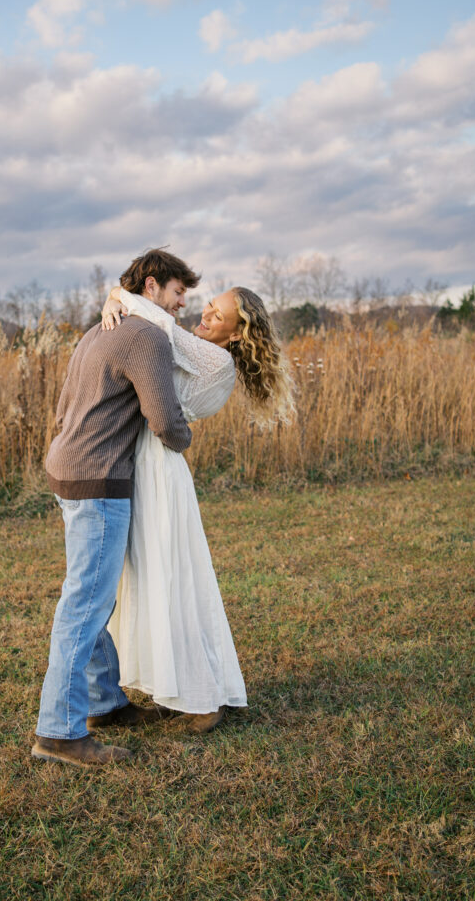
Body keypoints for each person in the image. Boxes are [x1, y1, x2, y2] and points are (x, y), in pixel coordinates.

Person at [102, 279, 294, 732]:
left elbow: (163, 328)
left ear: (236, 334)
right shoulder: (207, 356)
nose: (205, 316)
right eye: (208, 306)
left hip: (157, 468)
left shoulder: (214, 358)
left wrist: (116, 294)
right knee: (155, 577)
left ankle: (204, 699)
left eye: (218, 316)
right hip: (149, 463)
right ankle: (177, 686)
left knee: (171, 580)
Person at [32, 249, 199, 768]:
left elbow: (63, 404)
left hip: (68, 466)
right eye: (177, 294)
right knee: (84, 603)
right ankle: (58, 732)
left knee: (90, 596)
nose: (181, 307)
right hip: (98, 480)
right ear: (151, 286)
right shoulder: (144, 335)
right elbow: (164, 418)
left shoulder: (101, 328)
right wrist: (186, 434)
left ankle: (104, 703)